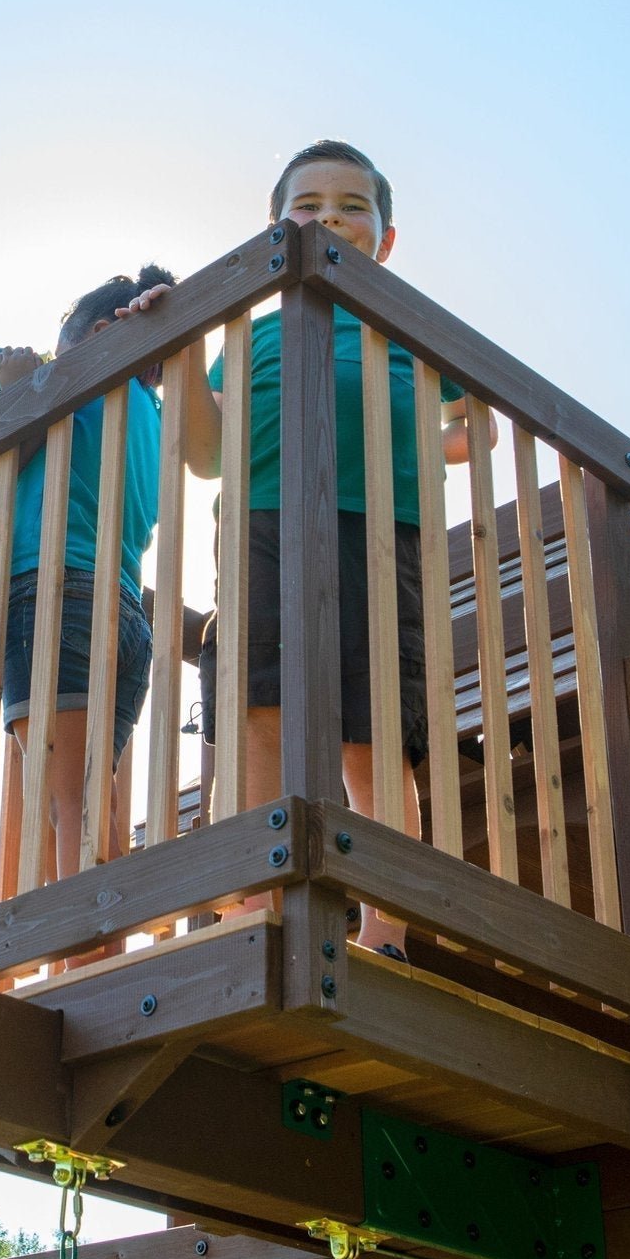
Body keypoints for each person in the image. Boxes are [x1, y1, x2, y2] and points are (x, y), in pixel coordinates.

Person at [128, 141, 488, 956]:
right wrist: (183, 345)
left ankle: (385, 927)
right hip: (265, 523)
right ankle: (255, 906)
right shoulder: (253, 333)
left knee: (375, 731)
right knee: (258, 709)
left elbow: (478, 430)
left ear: (385, 239)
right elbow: (205, 453)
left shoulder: (409, 332)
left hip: (382, 530)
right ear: (275, 228)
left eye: (353, 206)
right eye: (309, 204)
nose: (330, 217)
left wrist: (417, 438)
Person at [0, 264, 216, 887]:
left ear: (94, 335)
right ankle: (103, 932)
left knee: (67, 799)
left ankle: (82, 938)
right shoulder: (153, 413)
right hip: (124, 615)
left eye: (58, 344)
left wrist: (19, 388)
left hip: (54, 592)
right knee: (97, 797)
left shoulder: (77, 384)